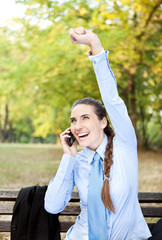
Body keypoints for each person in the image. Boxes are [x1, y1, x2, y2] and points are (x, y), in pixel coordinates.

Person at [44, 27, 152, 240]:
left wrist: (95, 45)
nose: (78, 126)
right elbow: (52, 206)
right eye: (74, 120)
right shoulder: (79, 160)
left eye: (85, 118)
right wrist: (69, 157)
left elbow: (112, 100)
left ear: (103, 121)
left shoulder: (124, 145)